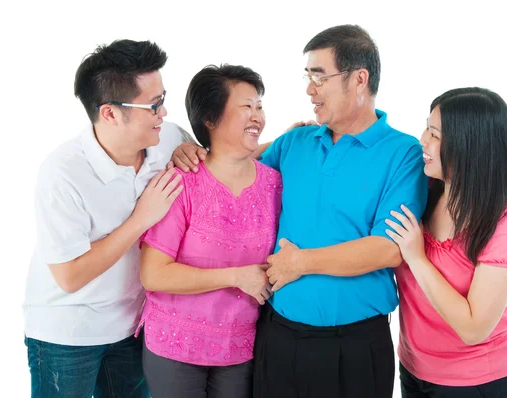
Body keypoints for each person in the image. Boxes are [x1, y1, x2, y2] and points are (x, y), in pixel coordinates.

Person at [171, 25, 429, 398]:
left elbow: (389, 248)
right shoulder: (296, 142)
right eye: (308, 77)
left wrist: (301, 262)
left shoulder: (402, 153)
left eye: (320, 77)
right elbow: (234, 164)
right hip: (278, 337)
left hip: (353, 346)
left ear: (359, 79)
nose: (310, 89)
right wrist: (190, 151)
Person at [23, 39, 190, 397]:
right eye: (154, 105)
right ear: (110, 113)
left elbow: (220, 164)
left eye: (163, 99)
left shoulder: (168, 137)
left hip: (132, 327)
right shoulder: (62, 172)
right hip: (66, 334)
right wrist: (140, 219)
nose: (164, 113)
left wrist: (288, 142)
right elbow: (69, 276)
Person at [137, 64, 282, 398]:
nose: (257, 115)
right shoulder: (180, 183)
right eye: (246, 106)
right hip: (175, 347)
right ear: (211, 119)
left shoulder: (275, 185)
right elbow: (153, 274)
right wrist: (237, 276)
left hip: (240, 347)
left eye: (259, 106)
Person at [385, 87, 507, 397]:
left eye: (435, 135)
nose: (422, 140)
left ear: (469, 146)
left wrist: (417, 258)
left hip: (480, 382)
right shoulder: (424, 188)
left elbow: (474, 328)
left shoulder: (506, 226)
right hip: (414, 371)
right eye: (427, 127)